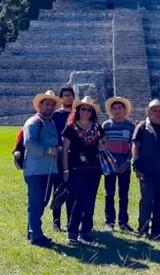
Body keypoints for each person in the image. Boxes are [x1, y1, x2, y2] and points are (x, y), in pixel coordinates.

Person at [62, 96, 106, 244]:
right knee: (79, 201)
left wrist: (102, 145)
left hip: (94, 170)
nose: (86, 111)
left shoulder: (96, 127)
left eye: (89, 109)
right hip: (76, 169)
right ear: (78, 110)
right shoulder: (71, 127)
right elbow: (65, 150)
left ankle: (86, 231)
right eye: (83, 109)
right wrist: (66, 170)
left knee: (90, 202)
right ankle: (72, 231)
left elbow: (103, 142)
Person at [23, 90, 62, 248]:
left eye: (52, 105)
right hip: (36, 170)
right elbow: (29, 143)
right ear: (40, 105)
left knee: (42, 201)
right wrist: (47, 150)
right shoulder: (33, 122)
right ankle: (36, 236)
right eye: (47, 104)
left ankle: (31, 231)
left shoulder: (50, 122)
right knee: (36, 202)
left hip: (49, 169)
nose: (50, 107)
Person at [133, 99, 160, 240]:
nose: (157, 113)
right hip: (147, 171)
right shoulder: (142, 127)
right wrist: (137, 167)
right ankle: (143, 230)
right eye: (154, 110)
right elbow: (135, 147)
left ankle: (158, 231)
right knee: (146, 201)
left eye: (159, 110)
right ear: (149, 111)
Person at [102, 96, 135, 233]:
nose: (117, 111)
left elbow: (133, 146)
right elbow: (103, 145)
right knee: (109, 194)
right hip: (110, 165)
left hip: (124, 165)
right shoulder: (106, 126)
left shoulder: (131, 126)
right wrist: (112, 162)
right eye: (114, 108)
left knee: (123, 194)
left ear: (124, 110)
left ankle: (123, 222)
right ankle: (110, 222)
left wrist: (127, 162)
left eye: (119, 108)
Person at [50, 85, 75, 232]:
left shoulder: (78, 114)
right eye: (65, 95)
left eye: (70, 95)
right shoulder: (55, 115)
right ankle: (56, 221)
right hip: (59, 157)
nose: (68, 97)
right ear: (61, 98)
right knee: (58, 189)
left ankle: (71, 221)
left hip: (74, 158)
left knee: (72, 189)